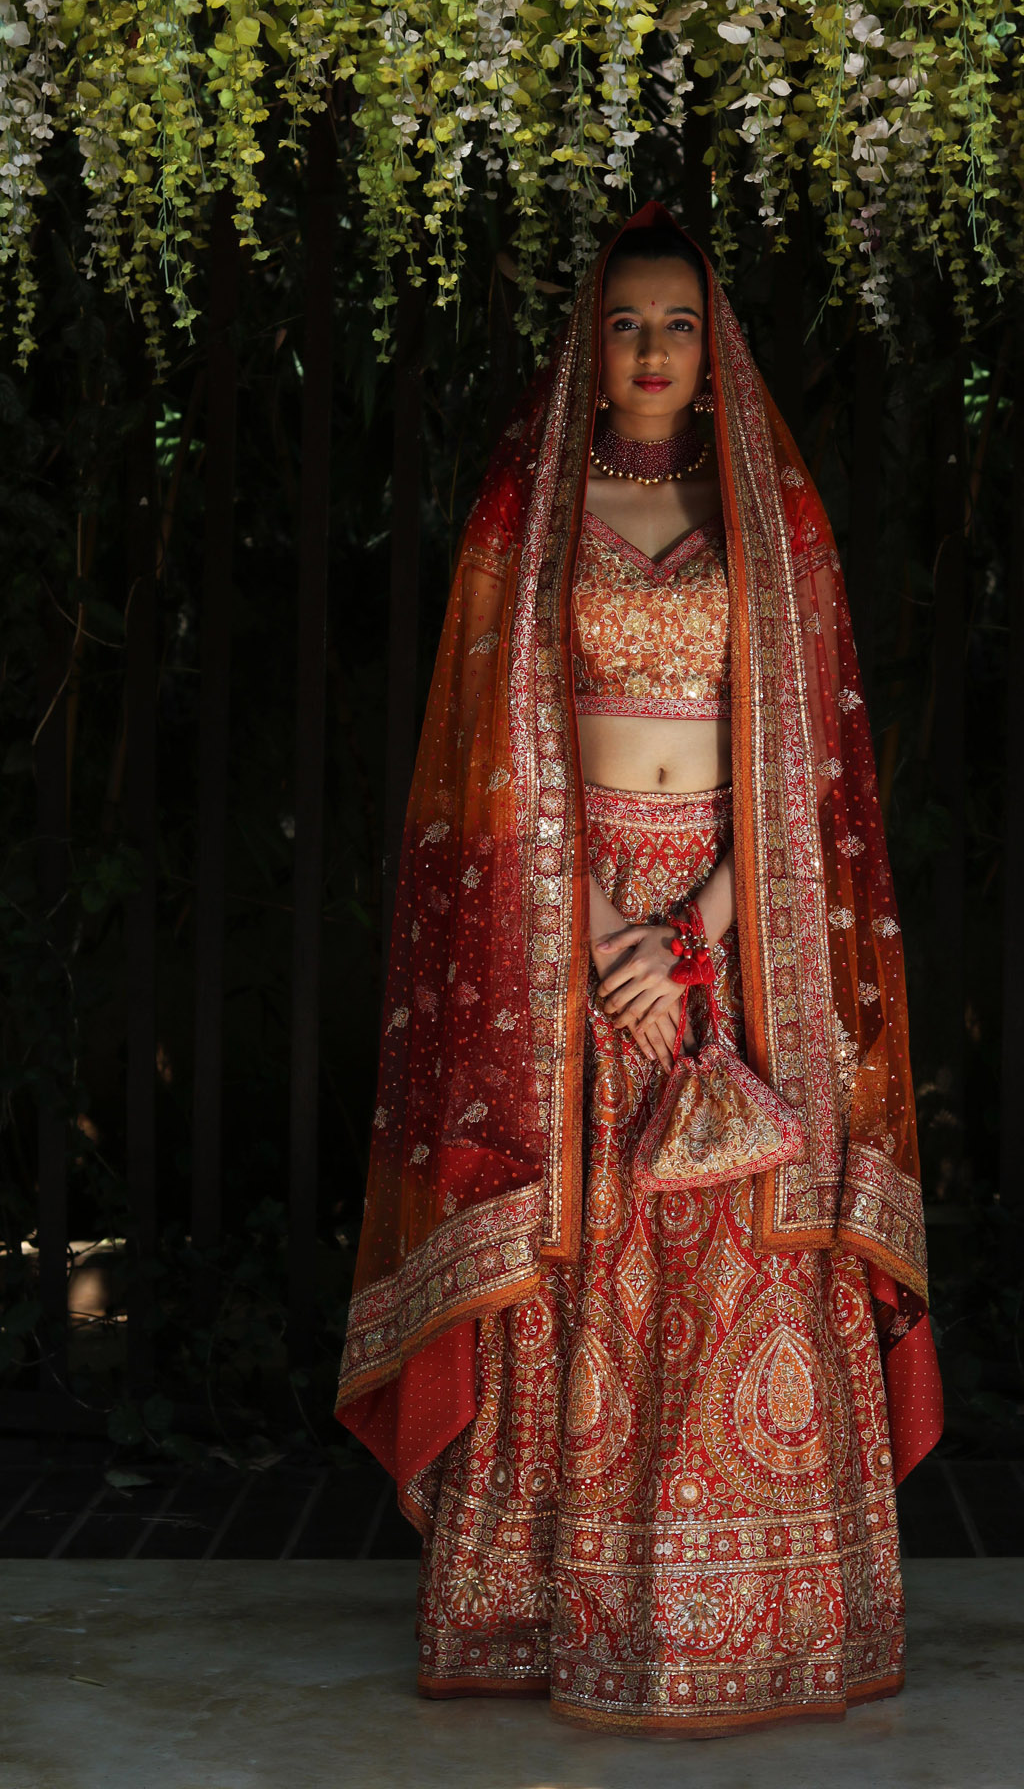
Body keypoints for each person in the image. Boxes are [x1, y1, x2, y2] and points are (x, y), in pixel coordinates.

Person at [335, 202, 942, 1737]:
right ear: (589, 351)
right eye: (627, 325)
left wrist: (698, 937)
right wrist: (594, 928)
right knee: (581, 1251)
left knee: (733, 1252)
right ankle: (556, 1609)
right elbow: (489, 748)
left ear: (712, 349)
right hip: (567, 928)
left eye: (678, 324)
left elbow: (812, 765)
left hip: (729, 933)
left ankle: (748, 1613)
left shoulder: (771, 523)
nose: (654, 351)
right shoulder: (526, 514)